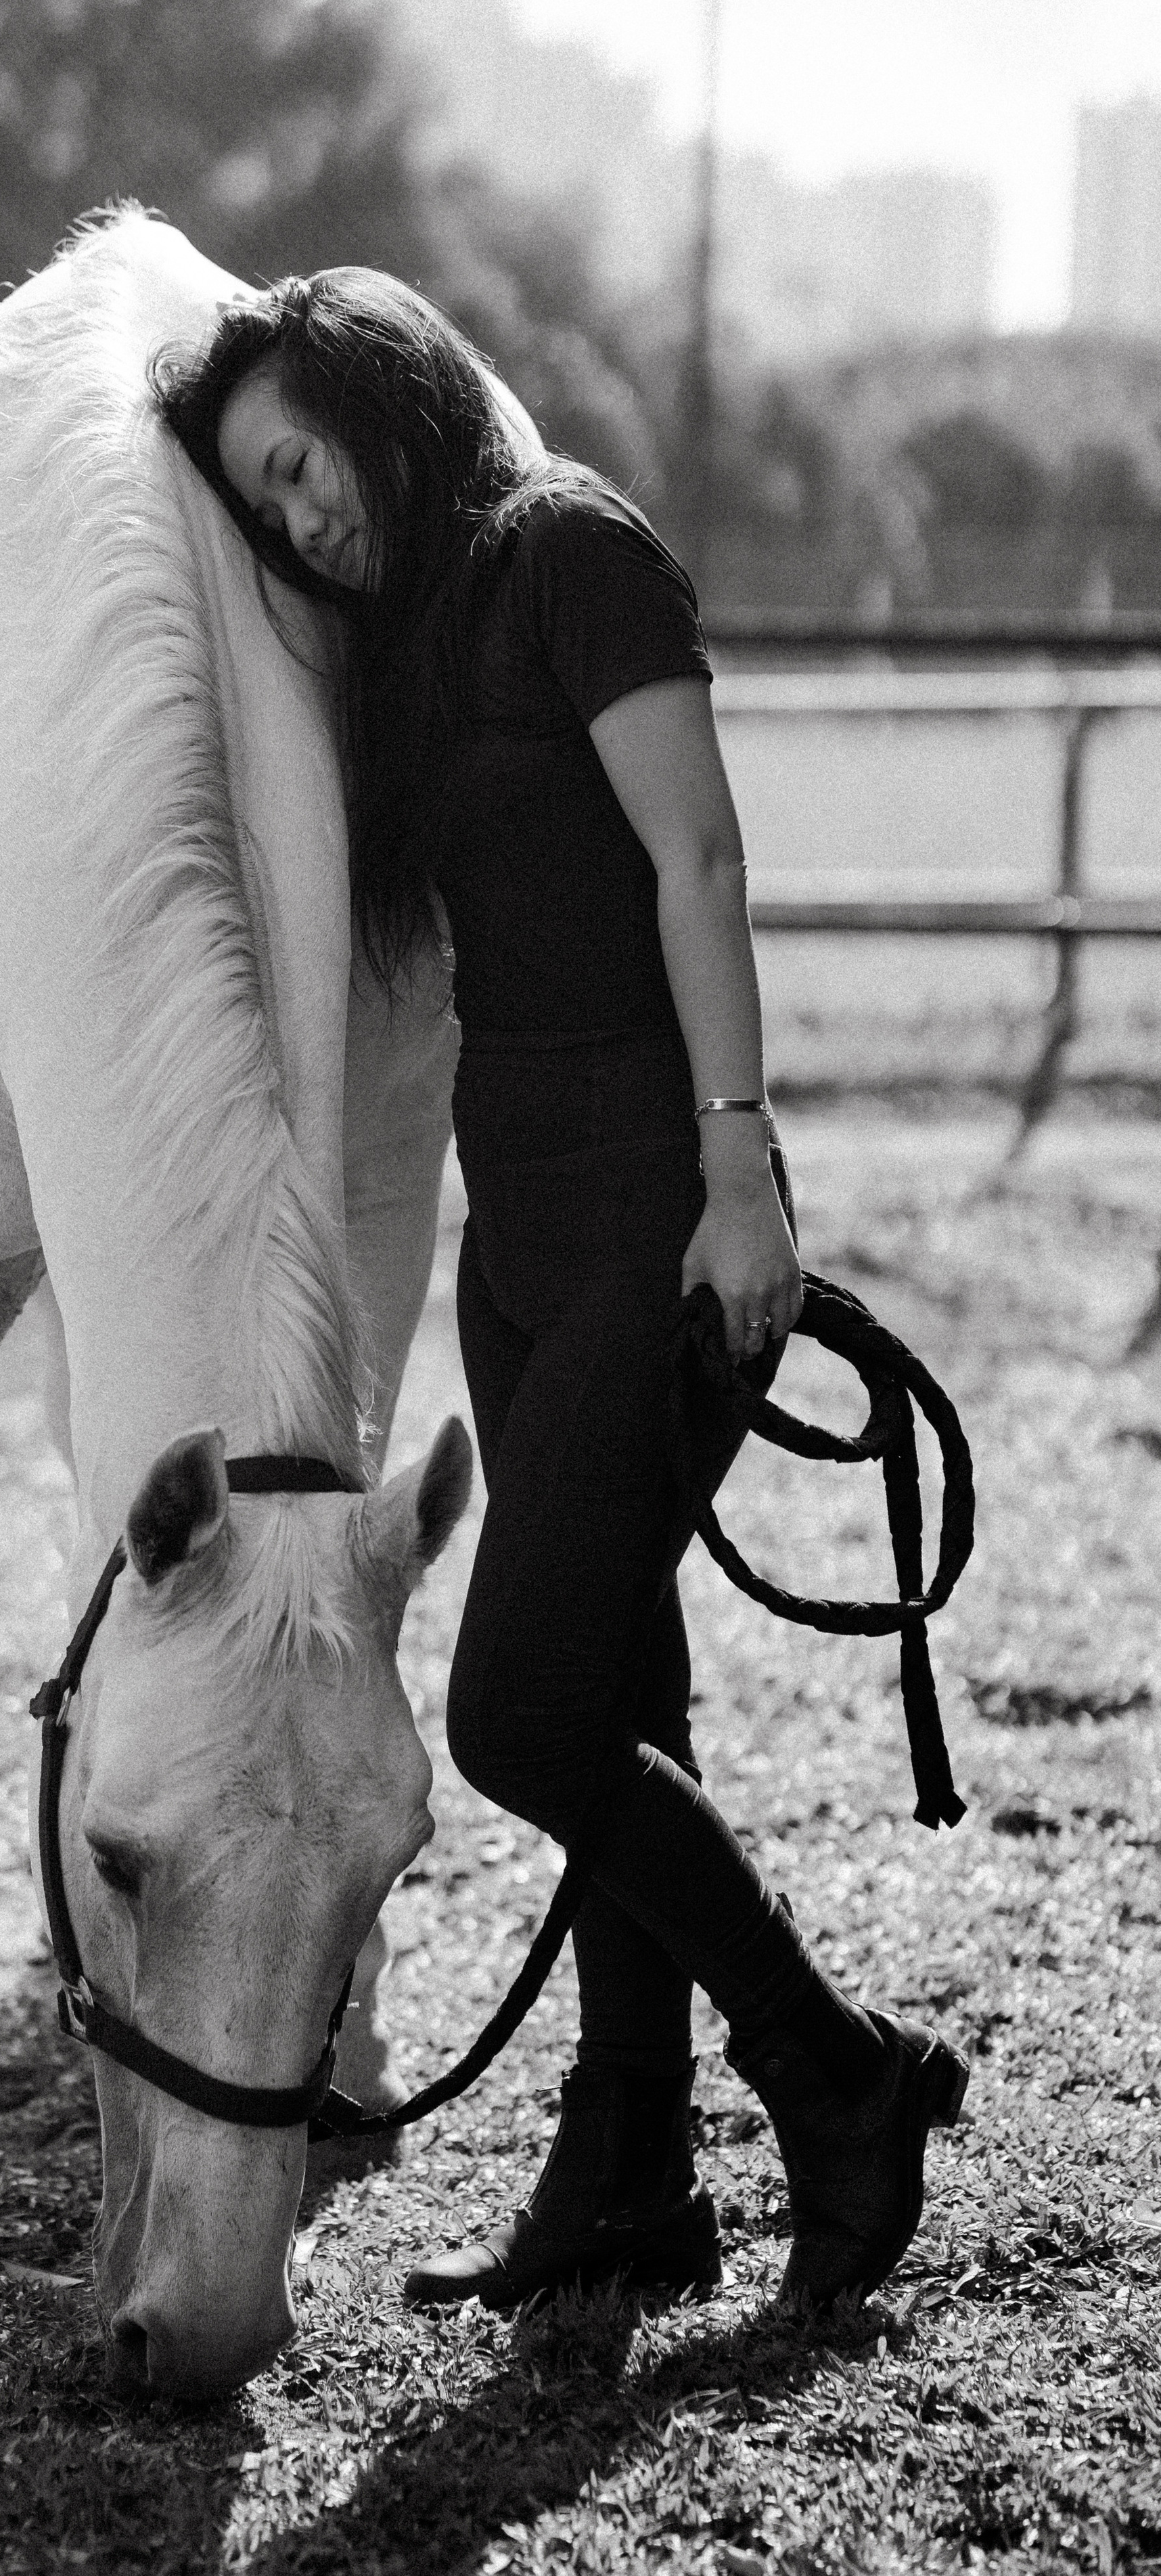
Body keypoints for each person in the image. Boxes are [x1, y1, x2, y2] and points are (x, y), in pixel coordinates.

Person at [154, 271, 968, 2314]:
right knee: (618, 1690)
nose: (299, 519)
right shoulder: (419, 643)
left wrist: (737, 1172)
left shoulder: (576, 556)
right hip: (514, 1230)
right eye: (262, 506)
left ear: (377, 401)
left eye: (299, 466)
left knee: (521, 1715)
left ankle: (839, 2075)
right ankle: (630, 2174)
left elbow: (700, 862)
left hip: (652, 1213)